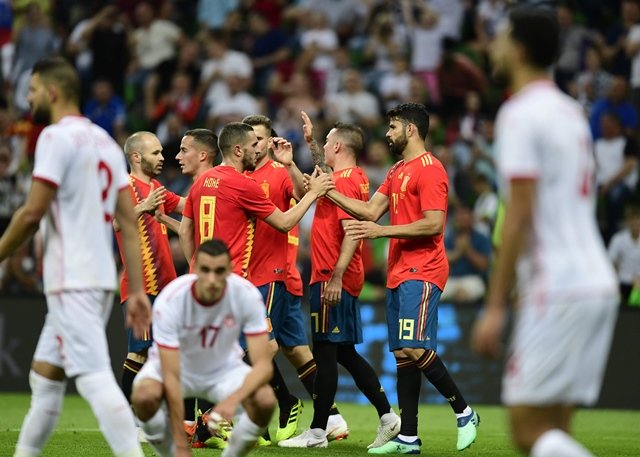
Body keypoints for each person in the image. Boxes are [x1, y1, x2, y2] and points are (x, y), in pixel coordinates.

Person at [471, 7, 619, 457]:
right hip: (596, 280)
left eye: (498, 38)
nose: (490, 46)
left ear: (516, 50)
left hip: (556, 286)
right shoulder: (572, 112)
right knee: (556, 429)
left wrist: (495, 305)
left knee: (527, 429)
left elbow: (518, 213)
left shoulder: (519, 114)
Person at [1, 57, 151, 457]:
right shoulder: (104, 140)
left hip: (72, 278)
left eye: (32, 90)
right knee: (45, 377)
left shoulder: (54, 138)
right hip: (98, 276)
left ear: (52, 91)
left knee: (94, 379)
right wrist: (135, 290)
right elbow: (128, 222)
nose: (28, 98)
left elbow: (32, 213)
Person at [324, 102, 479, 454]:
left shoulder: (431, 169)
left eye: (393, 126)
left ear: (411, 129)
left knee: (415, 346)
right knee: (403, 356)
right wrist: (327, 191)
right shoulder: (397, 170)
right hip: (398, 270)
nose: (388, 133)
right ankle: (408, 436)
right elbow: (368, 210)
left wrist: (381, 233)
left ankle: (464, 410)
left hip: (423, 268)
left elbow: (434, 223)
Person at [279, 120, 401, 449]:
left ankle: (318, 431)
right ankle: (388, 417)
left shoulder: (345, 182)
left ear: (338, 148)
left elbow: (352, 230)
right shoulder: (349, 178)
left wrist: (335, 275)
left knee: (325, 353)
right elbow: (324, 177)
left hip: (332, 277)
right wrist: (310, 142)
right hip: (336, 275)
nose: (324, 147)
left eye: (327, 141)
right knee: (344, 352)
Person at [241, 114, 348, 443]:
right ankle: (331, 418)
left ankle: (260, 414)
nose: (254, 146)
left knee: (256, 348)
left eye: (260, 139)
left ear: (271, 141)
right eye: (250, 140)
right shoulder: (243, 175)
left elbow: (311, 190)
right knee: (296, 352)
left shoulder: (277, 172)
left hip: (270, 274)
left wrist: (289, 163)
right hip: (277, 276)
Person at [131, 239, 276, 457]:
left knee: (265, 401)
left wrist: (230, 402)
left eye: (219, 271)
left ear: (230, 270)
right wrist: (180, 445)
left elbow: (264, 366)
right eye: (205, 270)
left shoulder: (246, 295)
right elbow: (171, 376)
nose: (212, 279)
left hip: (223, 371)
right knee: (143, 396)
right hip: (177, 368)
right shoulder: (171, 299)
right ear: (194, 268)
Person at [178, 121, 333, 274]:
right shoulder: (243, 184)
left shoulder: (202, 180)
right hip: (230, 278)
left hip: (199, 277)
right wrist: (313, 192)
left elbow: (185, 232)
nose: (257, 150)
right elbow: (285, 223)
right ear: (238, 150)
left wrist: (196, 267)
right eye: (253, 145)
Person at [115, 131, 185, 404]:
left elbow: (184, 205)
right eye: (155, 153)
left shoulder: (156, 187)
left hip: (166, 287)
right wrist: (143, 207)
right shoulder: (124, 187)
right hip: (140, 287)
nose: (162, 157)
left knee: (165, 353)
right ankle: (129, 418)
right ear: (135, 156)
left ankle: (157, 415)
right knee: (139, 353)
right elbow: (117, 224)